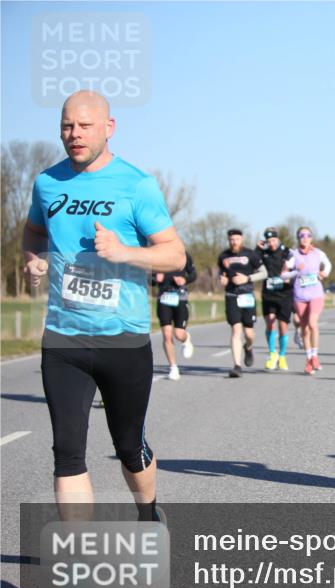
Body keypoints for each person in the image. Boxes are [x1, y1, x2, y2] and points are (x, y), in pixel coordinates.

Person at [22, 91, 186, 520]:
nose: (74, 134)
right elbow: (34, 231)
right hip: (64, 337)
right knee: (67, 453)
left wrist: (124, 252)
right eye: (67, 126)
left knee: (129, 446)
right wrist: (34, 258)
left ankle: (147, 513)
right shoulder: (47, 183)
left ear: (108, 128)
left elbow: (175, 255)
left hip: (123, 339)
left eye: (85, 125)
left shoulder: (136, 185)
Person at [283, 226, 331, 375]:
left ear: (311, 238)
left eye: (308, 235)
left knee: (312, 323)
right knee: (304, 328)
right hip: (300, 296)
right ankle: (309, 360)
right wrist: (296, 271)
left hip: (316, 294)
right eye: (302, 235)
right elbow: (283, 275)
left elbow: (328, 264)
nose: (305, 238)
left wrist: (324, 272)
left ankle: (315, 356)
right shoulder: (293, 255)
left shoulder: (318, 253)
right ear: (298, 238)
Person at [218, 228, 266, 378]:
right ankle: (237, 366)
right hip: (231, 295)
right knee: (236, 331)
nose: (234, 242)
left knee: (249, 334)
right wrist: (222, 280)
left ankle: (248, 347)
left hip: (247, 296)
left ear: (242, 239)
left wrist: (247, 278)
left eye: (237, 239)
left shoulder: (251, 254)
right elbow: (222, 274)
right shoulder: (223, 256)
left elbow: (264, 273)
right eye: (232, 239)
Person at [153, 250, 197, 380]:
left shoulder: (183, 254)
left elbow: (194, 274)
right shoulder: (156, 255)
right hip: (163, 298)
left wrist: (185, 279)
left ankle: (186, 339)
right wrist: (155, 279)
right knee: (167, 335)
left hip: (180, 297)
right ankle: (173, 367)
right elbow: (148, 278)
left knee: (178, 334)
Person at [257, 228, 293, 370]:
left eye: (273, 240)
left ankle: (282, 356)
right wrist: (257, 249)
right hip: (268, 294)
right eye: (269, 241)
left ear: (278, 239)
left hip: (284, 294)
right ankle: (272, 353)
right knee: (270, 323)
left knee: (283, 327)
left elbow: (297, 268)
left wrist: (289, 278)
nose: (271, 243)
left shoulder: (287, 252)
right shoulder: (263, 253)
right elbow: (252, 262)